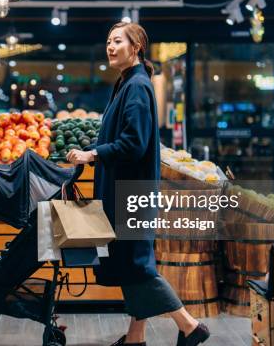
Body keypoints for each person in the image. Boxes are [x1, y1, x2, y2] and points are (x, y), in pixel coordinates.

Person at [66, 22, 210, 346]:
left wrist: (93, 154)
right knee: (132, 265)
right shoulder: (128, 82)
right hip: (126, 193)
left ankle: (190, 326)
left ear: (136, 47)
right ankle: (137, 336)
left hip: (130, 194)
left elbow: (134, 143)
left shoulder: (136, 87)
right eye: (107, 41)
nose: (110, 46)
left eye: (118, 41)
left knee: (138, 267)